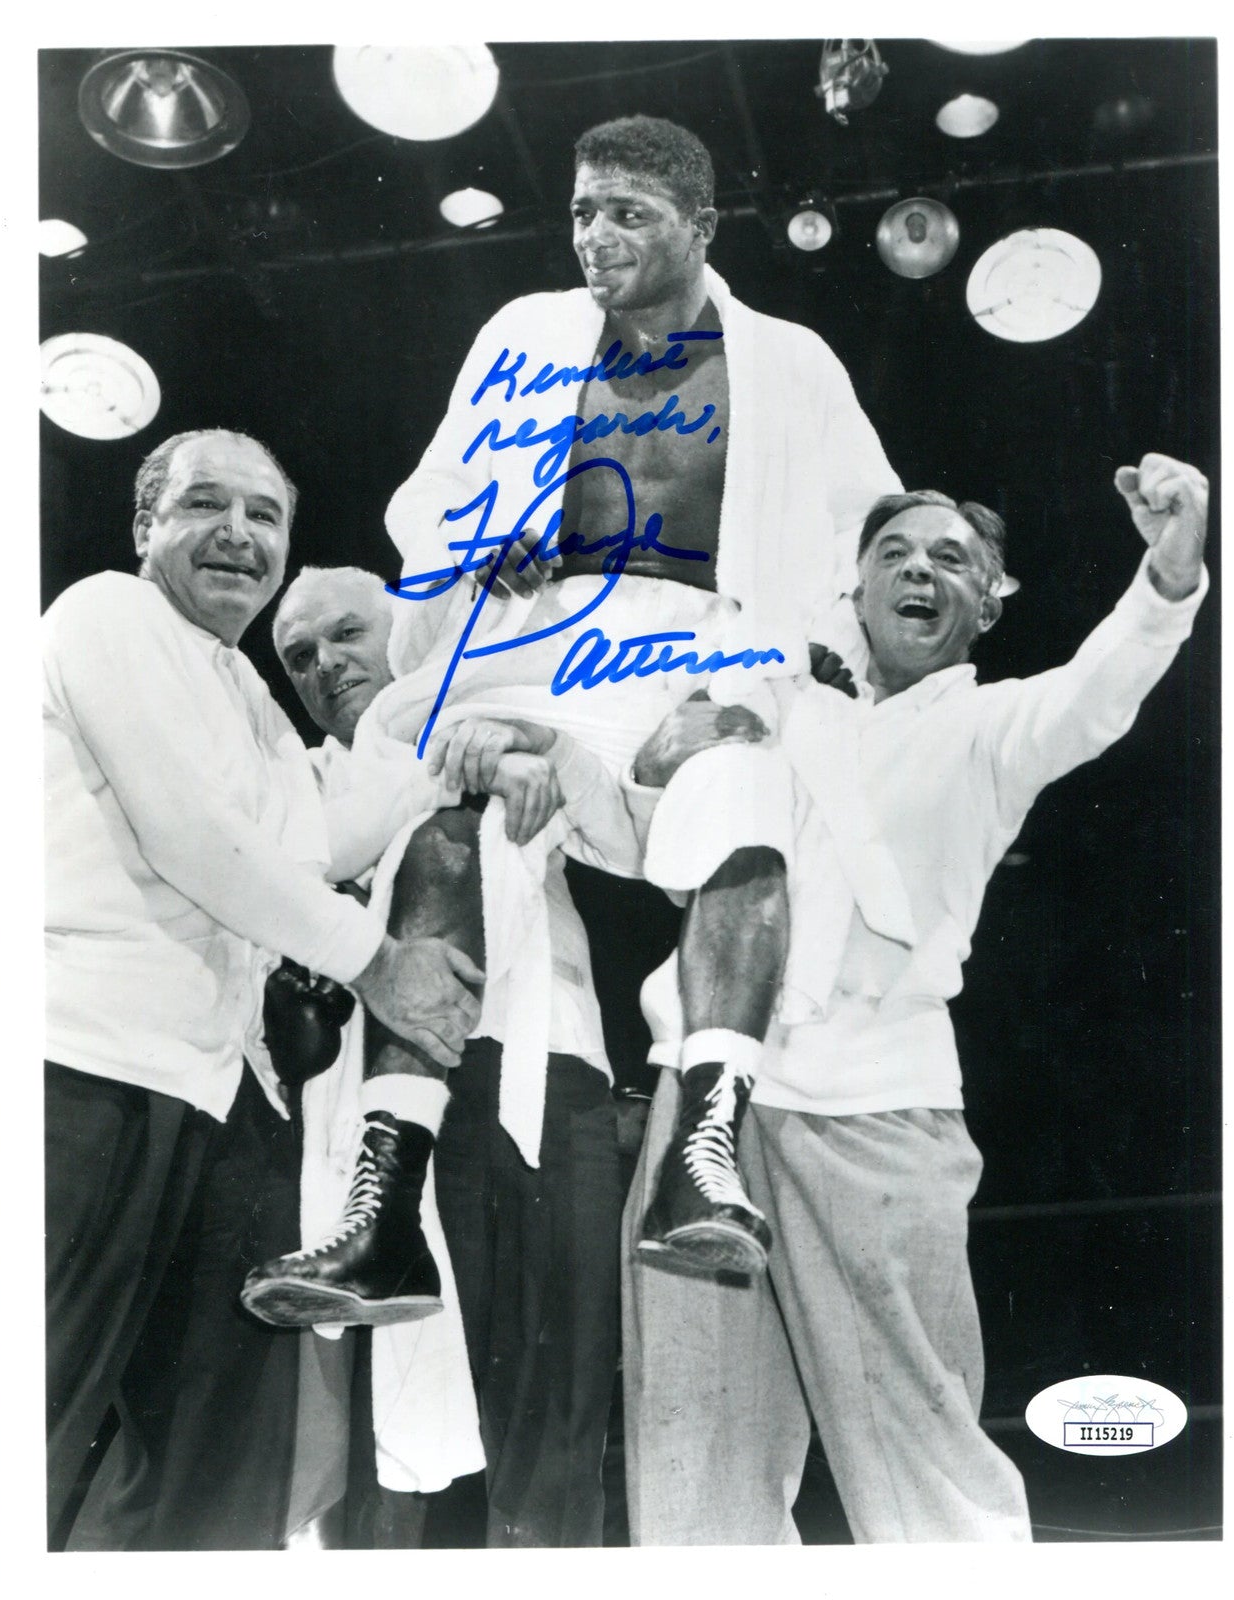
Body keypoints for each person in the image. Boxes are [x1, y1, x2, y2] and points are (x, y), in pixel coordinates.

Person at [620, 452, 1211, 1543]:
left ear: (989, 602)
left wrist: (1167, 578)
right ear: (854, 591)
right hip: (704, 1105)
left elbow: (1097, 692)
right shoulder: (780, 706)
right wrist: (654, 758)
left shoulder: (993, 730)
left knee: (927, 1469)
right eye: (891, 552)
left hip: (876, 1108)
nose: (917, 570)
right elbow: (656, 843)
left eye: (950, 557)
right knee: (693, 1468)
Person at [379, 113, 902, 1282]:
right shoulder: (524, 331)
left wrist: (767, 684)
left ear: (702, 225)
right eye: (582, 211)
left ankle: (699, 1159)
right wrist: (477, 538)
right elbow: (428, 494)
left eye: (629, 213)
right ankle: (385, 1198)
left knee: (748, 799)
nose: (596, 237)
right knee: (445, 832)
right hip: (541, 643)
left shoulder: (791, 362)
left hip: (703, 650)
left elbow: (863, 541)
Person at [43, 429, 486, 1548]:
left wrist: (475, 743)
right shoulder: (107, 613)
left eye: (265, 514)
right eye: (206, 505)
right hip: (71, 1066)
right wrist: (378, 964)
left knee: (213, 1468)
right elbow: (195, 838)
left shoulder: (244, 693)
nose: (239, 533)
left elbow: (313, 838)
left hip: (204, 1099)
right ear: (144, 528)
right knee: (34, 1412)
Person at [245, 565, 643, 1546]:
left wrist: (539, 747)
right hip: (358, 1112)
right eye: (299, 655)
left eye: (347, 634)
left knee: (552, 1426)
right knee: (381, 1462)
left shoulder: (504, 712)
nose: (324, 664)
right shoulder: (295, 785)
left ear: (409, 633)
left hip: (538, 1071)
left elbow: (634, 843)